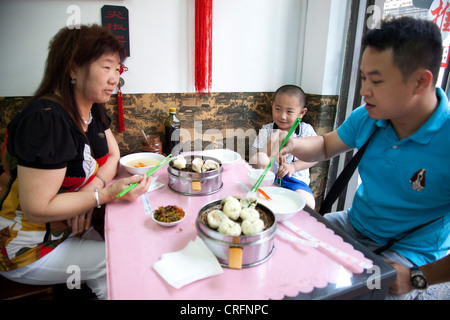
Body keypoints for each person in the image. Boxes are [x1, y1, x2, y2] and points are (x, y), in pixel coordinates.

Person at [269, 17, 449, 299]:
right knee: (283, 249)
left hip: (409, 251)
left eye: (375, 81)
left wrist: (418, 278)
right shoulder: (367, 116)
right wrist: (293, 143)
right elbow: (326, 146)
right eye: (363, 78)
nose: (364, 91)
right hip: (355, 223)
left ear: (420, 81)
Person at [0, 24, 152, 300]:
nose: (114, 78)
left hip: (71, 231)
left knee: (119, 270)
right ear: (72, 69)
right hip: (28, 248)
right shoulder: (46, 119)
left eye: (118, 69)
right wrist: (101, 195)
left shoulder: (93, 109)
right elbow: (36, 209)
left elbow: (114, 155)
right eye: (107, 67)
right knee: (127, 260)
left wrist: (88, 192)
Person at [250, 85, 317, 209]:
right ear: (272, 106)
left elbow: (315, 157)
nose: (282, 116)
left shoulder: (306, 130)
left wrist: (293, 166)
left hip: (295, 181)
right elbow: (254, 155)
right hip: (269, 179)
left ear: (302, 113)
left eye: (289, 111)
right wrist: (265, 154)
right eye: (278, 109)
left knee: (308, 204)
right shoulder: (267, 129)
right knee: (258, 156)